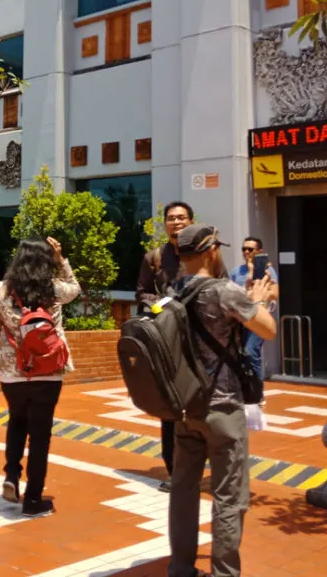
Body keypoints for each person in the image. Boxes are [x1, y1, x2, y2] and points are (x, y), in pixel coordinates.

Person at [169, 224, 276, 577]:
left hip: (186, 407)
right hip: (223, 406)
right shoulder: (223, 291)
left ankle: (181, 568)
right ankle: (225, 573)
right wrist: (258, 300)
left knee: (183, 490)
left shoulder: (173, 292)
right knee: (229, 496)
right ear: (211, 250)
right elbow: (268, 330)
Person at [0, 236, 80, 518]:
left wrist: (6, 346)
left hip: (12, 373)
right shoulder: (53, 289)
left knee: (16, 420)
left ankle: (11, 475)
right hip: (48, 372)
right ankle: (33, 500)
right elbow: (76, 288)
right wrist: (62, 259)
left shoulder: (3, 290)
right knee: (40, 435)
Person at [136, 201, 194, 492]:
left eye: (181, 217)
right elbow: (142, 293)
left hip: (199, 342)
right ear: (165, 224)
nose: (176, 222)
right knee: (170, 408)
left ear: (191, 221)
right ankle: (174, 470)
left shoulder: (206, 254)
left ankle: (198, 463)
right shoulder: (154, 257)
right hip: (168, 342)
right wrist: (160, 308)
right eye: (171, 218)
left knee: (200, 406)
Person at [229, 237, 279, 385]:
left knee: (251, 352)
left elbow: (274, 294)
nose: (246, 252)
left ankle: (257, 392)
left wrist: (258, 293)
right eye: (243, 249)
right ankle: (246, 389)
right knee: (240, 354)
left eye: (250, 249)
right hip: (240, 318)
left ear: (259, 252)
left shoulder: (267, 271)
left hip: (258, 316)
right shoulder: (236, 271)